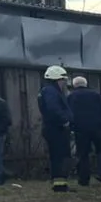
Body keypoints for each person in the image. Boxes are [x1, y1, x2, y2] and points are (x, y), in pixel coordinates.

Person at [67, 76, 101, 186]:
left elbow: (69, 113)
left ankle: (84, 179)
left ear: (74, 85)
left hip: (81, 128)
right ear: (85, 84)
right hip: (98, 127)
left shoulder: (71, 96)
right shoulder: (96, 95)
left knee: (83, 153)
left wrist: (71, 127)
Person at [37, 65, 73, 193]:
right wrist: (64, 120)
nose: (64, 82)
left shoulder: (46, 91)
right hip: (56, 129)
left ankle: (59, 183)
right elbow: (53, 109)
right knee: (60, 156)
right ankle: (60, 185)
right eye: (63, 79)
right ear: (57, 79)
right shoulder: (51, 91)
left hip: (52, 128)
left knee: (57, 156)